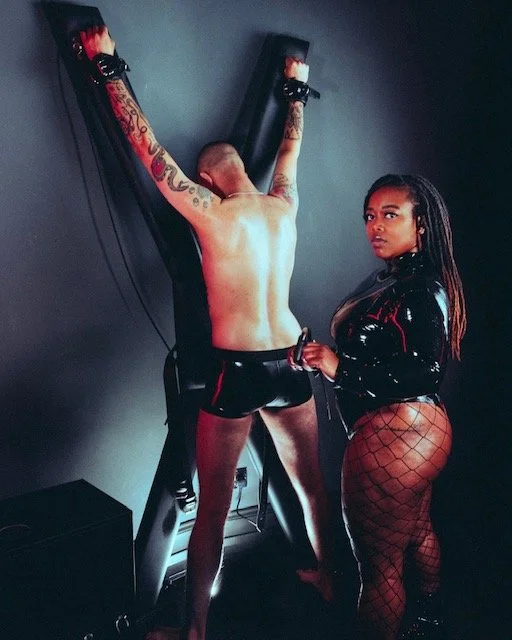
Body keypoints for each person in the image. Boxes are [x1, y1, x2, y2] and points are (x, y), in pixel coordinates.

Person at [80, 26, 334, 640]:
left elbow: (149, 151)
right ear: (240, 170)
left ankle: (194, 629)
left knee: (213, 512)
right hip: (290, 360)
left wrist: (107, 65)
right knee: (312, 490)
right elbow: (291, 148)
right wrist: (295, 87)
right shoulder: (284, 205)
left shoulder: (211, 211)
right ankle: (331, 582)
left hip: (238, 369)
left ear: (208, 178)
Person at [292, 174, 466, 639]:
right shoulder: (399, 278)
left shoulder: (418, 287)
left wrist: (340, 368)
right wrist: (328, 359)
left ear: (421, 223)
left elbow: (425, 372)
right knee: (417, 530)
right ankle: (429, 619)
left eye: (391, 215)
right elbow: (388, 355)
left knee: (380, 568)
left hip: (396, 434)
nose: (376, 226)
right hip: (421, 432)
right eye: (370, 216)